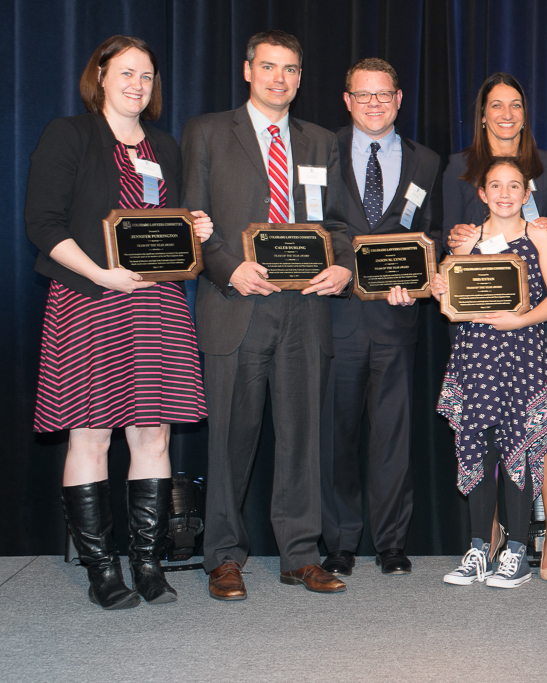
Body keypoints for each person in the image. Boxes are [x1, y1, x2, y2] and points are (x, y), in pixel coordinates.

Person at [24, 35, 213, 609]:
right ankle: (102, 569)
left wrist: (195, 231)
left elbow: (167, 225)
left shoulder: (164, 145)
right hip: (90, 300)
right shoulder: (71, 135)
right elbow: (43, 223)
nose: (137, 84)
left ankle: (149, 563)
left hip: (156, 304)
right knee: (92, 432)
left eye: (148, 76)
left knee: (154, 432)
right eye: (127, 73)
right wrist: (101, 276)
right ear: (100, 77)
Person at [181, 30, 354, 600]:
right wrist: (228, 268)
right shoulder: (207, 131)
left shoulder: (321, 140)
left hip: (306, 311)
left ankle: (300, 555)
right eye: (270, 67)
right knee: (232, 434)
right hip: (236, 305)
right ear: (249, 70)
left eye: (291, 69)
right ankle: (224, 557)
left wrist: (344, 267)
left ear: (301, 79)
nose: (281, 78)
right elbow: (191, 220)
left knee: (302, 437)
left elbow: (339, 224)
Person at [443, 72, 547, 581]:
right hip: (476, 334)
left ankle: (545, 537)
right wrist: (449, 261)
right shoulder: (457, 168)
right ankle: (486, 543)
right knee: (480, 435)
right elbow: (450, 252)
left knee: (538, 428)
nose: (506, 114)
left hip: (531, 331)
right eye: (496, 105)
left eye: (515, 104)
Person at [319, 57, 442, 578]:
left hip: (397, 320)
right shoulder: (319, 151)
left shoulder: (426, 162)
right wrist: (351, 264)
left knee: (393, 437)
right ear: (347, 101)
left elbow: (431, 234)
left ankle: (391, 542)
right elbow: (315, 223)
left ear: (398, 100)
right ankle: (341, 541)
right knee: (336, 435)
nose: (374, 103)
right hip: (336, 317)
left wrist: (417, 275)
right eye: (363, 95)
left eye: (383, 94)